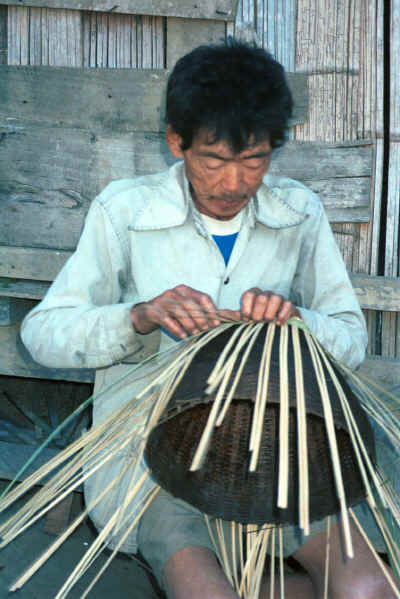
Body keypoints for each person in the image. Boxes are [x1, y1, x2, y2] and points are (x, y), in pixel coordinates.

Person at [21, 40, 396, 598]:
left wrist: (297, 323)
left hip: (280, 449)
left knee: (368, 588)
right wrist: (140, 318)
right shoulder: (124, 211)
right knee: (207, 591)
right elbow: (44, 333)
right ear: (177, 142)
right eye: (214, 161)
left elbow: (349, 335)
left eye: (254, 161)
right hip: (151, 461)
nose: (233, 184)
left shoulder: (298, 212)